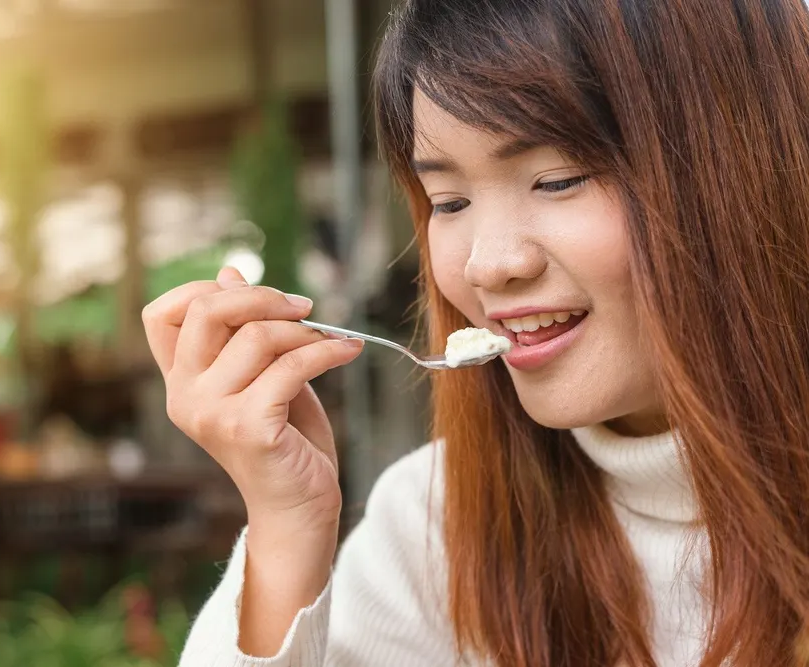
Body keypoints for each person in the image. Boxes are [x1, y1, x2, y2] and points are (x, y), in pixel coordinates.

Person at [142, 0, 809, 664]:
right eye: (449, 203)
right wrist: (288, 530)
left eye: (557, 180)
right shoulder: (438, 525)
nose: (486, 264)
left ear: (747, 166)